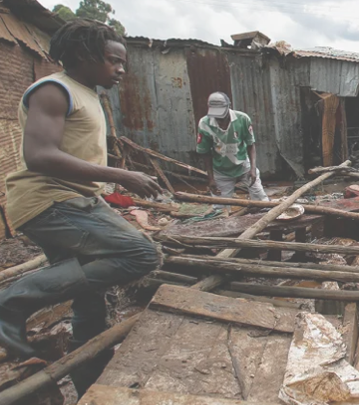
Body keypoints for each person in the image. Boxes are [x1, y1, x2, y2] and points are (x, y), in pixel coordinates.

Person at [0, 19, 163, 395]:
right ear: (82, 55)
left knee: (90, 298)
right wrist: (119, 175)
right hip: (51, 201)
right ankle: (10, 303)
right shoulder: (54, 91)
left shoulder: (86, 92)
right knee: (140, 254)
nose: (121, 69)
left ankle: (90, 378)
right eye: (113, 60)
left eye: (123, 62)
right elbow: (39, 155)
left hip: (73, 199)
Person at [196, 92, 269, 202]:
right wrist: (211, 179)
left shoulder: (243, 119)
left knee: (261, 201)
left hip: (243, 165)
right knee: (220, 209)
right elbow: (205, 153)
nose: (220, 121)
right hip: (221, 170)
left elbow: (250, 145)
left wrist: (252, 168)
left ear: (228, 107)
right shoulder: (204, 123)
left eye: (222, 118)